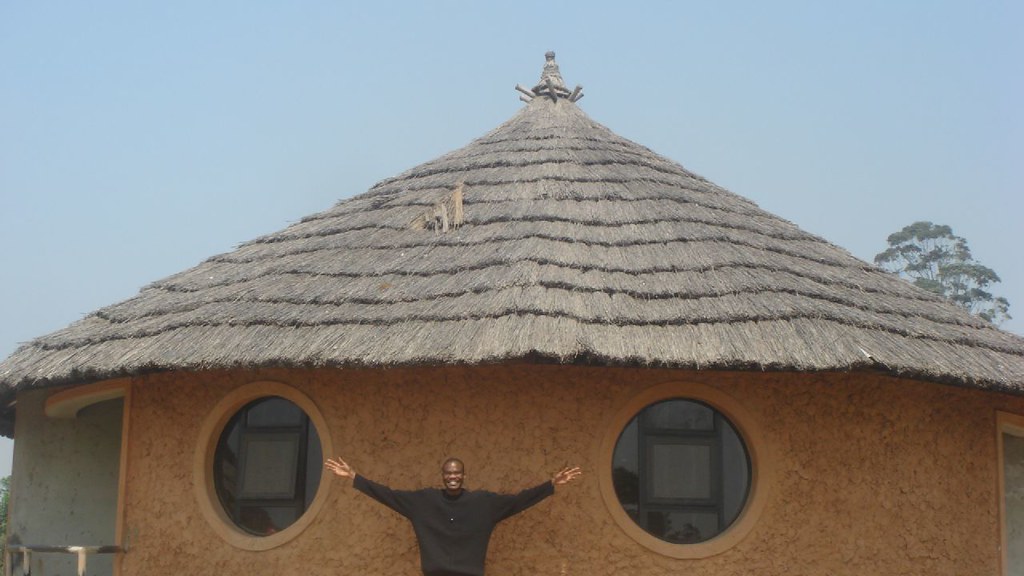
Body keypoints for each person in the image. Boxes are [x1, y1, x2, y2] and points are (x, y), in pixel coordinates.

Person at [325, 455, 582, 576]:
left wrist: (550, 484)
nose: (452, 477)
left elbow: (518, 502)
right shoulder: (422, 502)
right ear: (442, 477)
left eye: (457, 473)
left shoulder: (484, 504)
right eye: (448, 474)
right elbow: (388, 495)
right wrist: (354, 477)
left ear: (464, 475)